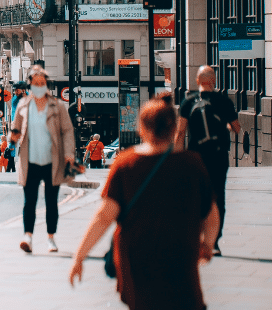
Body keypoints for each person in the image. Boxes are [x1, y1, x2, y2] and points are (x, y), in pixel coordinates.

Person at [69, 94, 217, 310]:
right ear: (174, 129)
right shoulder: (192, 164)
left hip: (136, 259)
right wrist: (208, 244)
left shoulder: (126, 164)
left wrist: (79, 256)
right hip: (181, 255)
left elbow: (104, 217)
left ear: (142, 129)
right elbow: (211, 215)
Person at [10, 65, 75, 254]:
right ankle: (27, 237)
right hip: (29, 161)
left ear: (46, 84)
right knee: (29, 201)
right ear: (30, 85)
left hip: (51, 161)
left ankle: (51, 238)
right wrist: (11, 140)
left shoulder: (58, 106)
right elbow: (16, 128)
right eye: (36, 83)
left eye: (42, 83)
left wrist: (69, 152)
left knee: (51, 201)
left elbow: (67, 130)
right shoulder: (23, 105)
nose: (39, 86)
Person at [177, 64, 239, 256]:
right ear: (213, 81)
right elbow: (236, 128)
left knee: (195, 195)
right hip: (218, 156)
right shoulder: (224, 101)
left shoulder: (188, 102)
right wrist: (226, 128)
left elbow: (180, 132)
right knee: (218, 196)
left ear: (197, 81)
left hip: (195, 157)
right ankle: (214, 243)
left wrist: (177, 159)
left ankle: (197, 238)